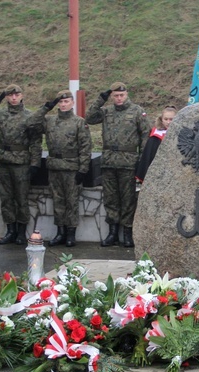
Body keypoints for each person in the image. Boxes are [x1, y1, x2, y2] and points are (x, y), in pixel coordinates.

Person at [86, 82, 149, 248]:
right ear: (112, 96)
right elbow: (90, 117)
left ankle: (127, 233)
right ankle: (112, 232)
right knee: (111, 198)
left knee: (128, 199)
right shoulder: (106, 111)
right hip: (109, 161)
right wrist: (101, 98)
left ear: (126, 94)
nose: (119, 98)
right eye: (115, 95)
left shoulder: (137, 111)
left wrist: (142, 160)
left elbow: (145, 136)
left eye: (121, 95)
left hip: (128, 162)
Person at [28, 90, 92, 247]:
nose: (63, 105)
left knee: (71, 201)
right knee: (58, 201)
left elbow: (85, 147)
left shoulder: (79, 122)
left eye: (66, 102)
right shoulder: (50, 120)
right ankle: (60, 232)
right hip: (54, 166)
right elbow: (30, 123)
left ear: (72, 103)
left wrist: (83, 169)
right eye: (61, 102)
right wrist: (45, 108)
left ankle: (71, 233)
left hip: (71, 167)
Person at [0, 83, 42, 246]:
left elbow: (36, 142)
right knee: (6, 198)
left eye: (17, 95)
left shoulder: (29, 116)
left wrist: (35, 163)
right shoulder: (0, 114)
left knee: (21, 198)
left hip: (22, 162)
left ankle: (22, 232)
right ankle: (10, 230)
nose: (14, 98)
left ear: (22, 96)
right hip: (4, 160)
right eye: (10, 95)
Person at [136, 105, 176, 184]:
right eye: (166, 119)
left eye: (171, 119)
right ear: (161, 119)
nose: (168, 122)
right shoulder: (155, 137)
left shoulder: (183, 135)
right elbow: (148, 158)